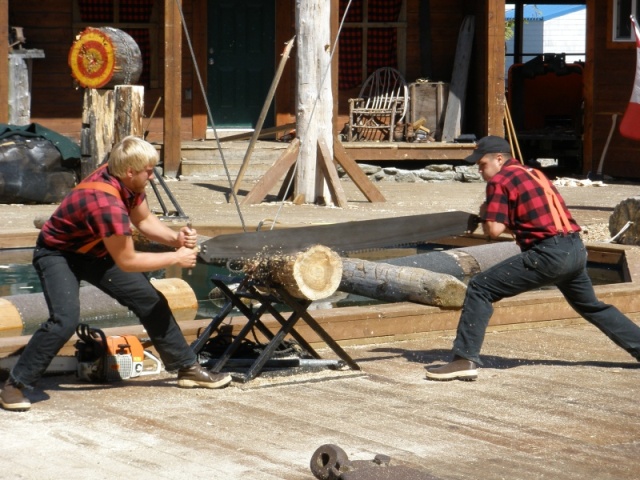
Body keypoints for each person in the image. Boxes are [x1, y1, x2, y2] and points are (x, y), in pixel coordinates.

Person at [0, 136, 231, 411]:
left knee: (150, 299)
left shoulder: (126, 179)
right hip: (57, 254)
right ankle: (15, 385)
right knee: (65, 320)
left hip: (95, 251)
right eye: (148, 172)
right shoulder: (105, 203)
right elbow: (128, 260)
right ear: (130, 171)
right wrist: (176, 257)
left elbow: (143, 219)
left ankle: (187, 369)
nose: (153, 178)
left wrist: (174, 238)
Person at [426, 135, 640, 381]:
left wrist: (486, 215)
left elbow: (493, 231)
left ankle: (464, 359)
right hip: (575, 249)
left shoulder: (500, 180)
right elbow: (538, 219)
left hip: (549, 255)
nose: (480, 171)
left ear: (498, 159)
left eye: (482, 165)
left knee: (480, 287)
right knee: (592, 306)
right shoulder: (535, 173)